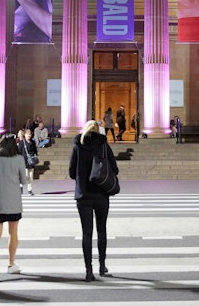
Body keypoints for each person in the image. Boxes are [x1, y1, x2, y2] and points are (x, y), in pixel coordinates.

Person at [68, 119, 118, 282]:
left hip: (83, 194)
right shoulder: (103, 145)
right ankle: (102, 266)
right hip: (101, 193)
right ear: (98, 130)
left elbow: (71, 172)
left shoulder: (77, 145)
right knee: (102, 230)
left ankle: (88, 271)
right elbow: (115, 169)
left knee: (86, 233)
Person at [0, 133, 26, 281]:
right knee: (13, 232)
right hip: (13, 201)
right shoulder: (19, 159)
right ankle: (11, 264)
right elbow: (23, 180)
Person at [19, 128, 38, 195]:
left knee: (31, 177)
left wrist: (35, 157)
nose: (29, 136)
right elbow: (19, 152)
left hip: (31, 162)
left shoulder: (33, 142)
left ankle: (30, 190)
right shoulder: (22, 142)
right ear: (25, 135)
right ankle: (21, 186)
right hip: (24, 162)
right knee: (25, 176)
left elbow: (35, 151)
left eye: (30, 134)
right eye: (27, 134)